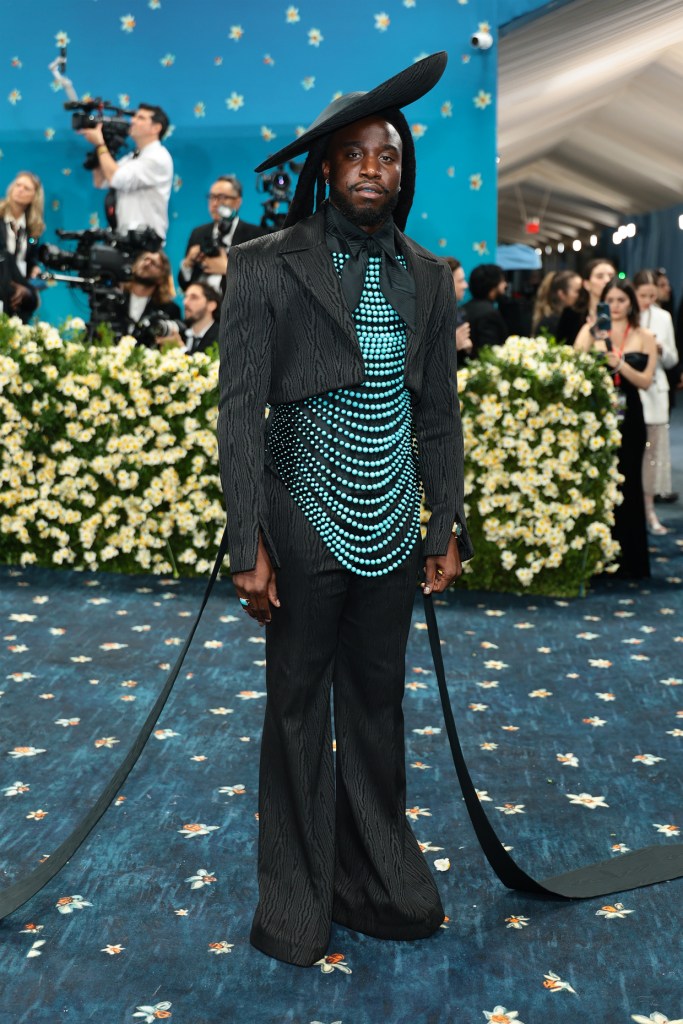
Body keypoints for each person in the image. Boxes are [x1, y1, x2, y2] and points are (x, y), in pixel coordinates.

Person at [217, 51, 472, 968]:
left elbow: (436, 414)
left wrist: (441, 526)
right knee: (294, 707)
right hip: (297, 512)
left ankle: (373, 882)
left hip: (392, 528)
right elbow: (239, 410)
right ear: (326, 167)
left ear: (402, 172)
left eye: (389, 155)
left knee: (375, 707)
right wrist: (245, 541)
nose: (374, 168)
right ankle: (294, 897)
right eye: (357, 154)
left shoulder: (430, 274)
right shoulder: (261, 266)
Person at [574, 278, 657, 579]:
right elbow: (573, 364)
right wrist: (593, 331)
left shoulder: (644, 335)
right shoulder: (591, 330)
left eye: (622, 300)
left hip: (630, 415)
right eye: (611, 299)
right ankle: (597, 559)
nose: (617, 306)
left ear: (632, 303)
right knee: (599, 484)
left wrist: (620, 364)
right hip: (597, 413)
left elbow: (647, 381)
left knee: (630, 483)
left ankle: (632, 560)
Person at [80, 103, 173, 241]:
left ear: (156, 128)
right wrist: (101, 145)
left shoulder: (158, 157)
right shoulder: (132, 157)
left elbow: (116, 178)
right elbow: (101, 181)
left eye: (141, 118)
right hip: (124, 238)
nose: (133, 121)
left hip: (146, 242)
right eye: (134, 116)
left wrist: (100, 144)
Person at [633, 269, 679, 526]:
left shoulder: (663, 318)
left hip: (656, 389)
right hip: (630, 390)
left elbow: (673, 358)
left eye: (653, 295)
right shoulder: (625, 315)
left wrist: (660, 350)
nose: (648, 300)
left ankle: (649, 509)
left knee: (653, 453)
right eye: (643, 295)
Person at [178, 175, 266, 294]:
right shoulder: (198, 233)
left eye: (222, 197)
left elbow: (262, 284)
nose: (215, 203)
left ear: (238, 202)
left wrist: (227, 269)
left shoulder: (256, 235)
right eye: (211, 197)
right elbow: (185, 285)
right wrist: (187, 264)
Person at [0, 171, 45, 321]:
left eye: (26, 188)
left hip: (20, 283)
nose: (20, 189)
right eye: (18, 185)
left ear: (34, 197)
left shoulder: (32, 229)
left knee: (30, 297)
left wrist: (34, 268)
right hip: (2, 280)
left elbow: (29, 260)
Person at [153, 281, 220, 353]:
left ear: (211, 305)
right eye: (185, 297)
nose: (185, 302)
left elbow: (208, 363)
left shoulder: (222, 336)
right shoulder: (178, 332)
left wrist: (181, 349)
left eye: (194, 297)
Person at [561, 257, 616, 345]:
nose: (607, 280)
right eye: (599, 276)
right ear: (586, 284)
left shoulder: (620, 312)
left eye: (611, 276)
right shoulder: (572, 314)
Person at [121, 250, 181, 327]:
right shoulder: (115, 296)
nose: (147, 264)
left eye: (153, 263)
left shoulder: (170, 310)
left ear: (162, 276)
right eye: (145, 259)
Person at [459, 263, 508, 354]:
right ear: (493, 286)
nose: (505, 285)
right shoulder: (489, 314)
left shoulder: (462, 308)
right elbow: (489, 352)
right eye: (502, 281)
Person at [531, 269, 581, 340]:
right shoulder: (550, 323)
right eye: (577, 291)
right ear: (562, 294)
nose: (582, 295)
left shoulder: (575, 317)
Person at [445, 256, 472, 358]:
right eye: (460, 281)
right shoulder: (430, 316)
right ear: (447, 283)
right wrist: (451, 345)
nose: (465, 285)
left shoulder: (458, 312)